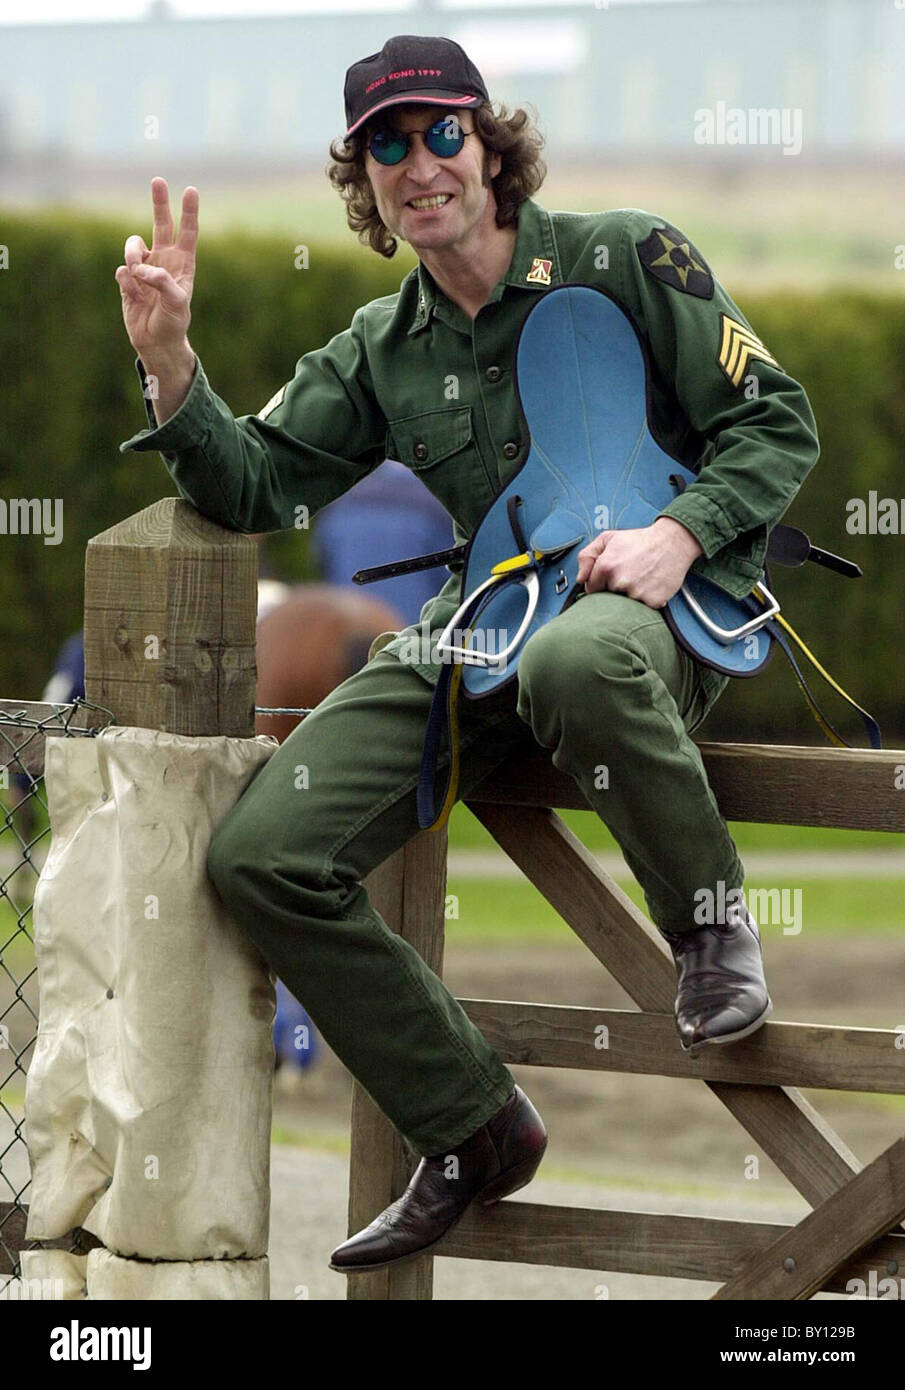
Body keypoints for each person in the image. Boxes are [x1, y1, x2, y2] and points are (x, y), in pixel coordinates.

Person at [114, 34, 819, 1275]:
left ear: (490, 143)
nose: (417, 161)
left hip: (645, 619)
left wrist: (678, 531)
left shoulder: (625, 256)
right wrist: (173, 367)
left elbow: (775, 419)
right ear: (364, 180)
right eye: (386, 143)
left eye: (440, 130)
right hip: (480, 624)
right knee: (260, 855)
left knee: (577, 665)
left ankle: (708, 923)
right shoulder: (378, 346)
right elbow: (257, 483)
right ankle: (473, 1124)